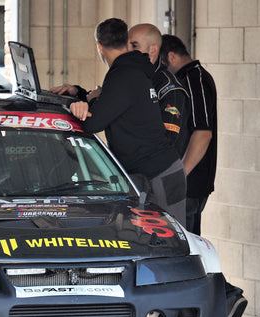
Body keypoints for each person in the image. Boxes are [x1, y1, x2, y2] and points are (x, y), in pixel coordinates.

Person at [51, 18, 186, 225]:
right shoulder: (133, 69)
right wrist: (82, 95)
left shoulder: (123, 74)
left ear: (99, 46)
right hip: (155, 172)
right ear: (126, 41)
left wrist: (89, 102)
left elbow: (93, 124)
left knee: (172, 241)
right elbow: (116, 104)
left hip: (159, 173)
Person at [160, 34, 247, 317]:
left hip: (189, 183)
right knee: (189, 245)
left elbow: (203, 132)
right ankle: (221, 300)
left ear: (171, 57)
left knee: (188, 248)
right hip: (188, 182)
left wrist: (180, 174)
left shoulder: (192, 79)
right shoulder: (191, 78)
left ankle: (224, 296)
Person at [127, 24, 190, 156]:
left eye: (134, 45)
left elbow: (166, 142)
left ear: (153, 50)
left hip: (157, 172)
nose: (127, 50)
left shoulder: (169, 88)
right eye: (126, 45)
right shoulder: (131, 79)